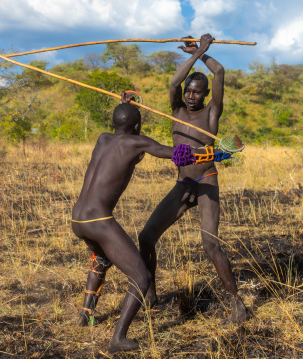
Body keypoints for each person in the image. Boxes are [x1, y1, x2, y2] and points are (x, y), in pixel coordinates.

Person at [72, 95, 200, 353]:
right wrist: (208, 153)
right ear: (138, 126)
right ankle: (118, 338)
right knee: (141, 278)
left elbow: (124, 128)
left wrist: (127, 106)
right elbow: (173, 154)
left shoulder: (102, 138)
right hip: (98, 220)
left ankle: (85, 316)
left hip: (77, 218)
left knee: (100, 259)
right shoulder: (138, 142)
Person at [138, 34, 250, 323]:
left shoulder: (212, 114)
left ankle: (237, 304)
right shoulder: (176, 111)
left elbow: (220, 72)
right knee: (146, 236)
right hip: (182, 184)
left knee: (210, 244)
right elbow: (174, 83)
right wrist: (195, 52)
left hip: (206, 182)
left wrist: (203, 52)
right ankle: (150, 294)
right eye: (190, 90)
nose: (191, 95)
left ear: (205, 95)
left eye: (198, 92)